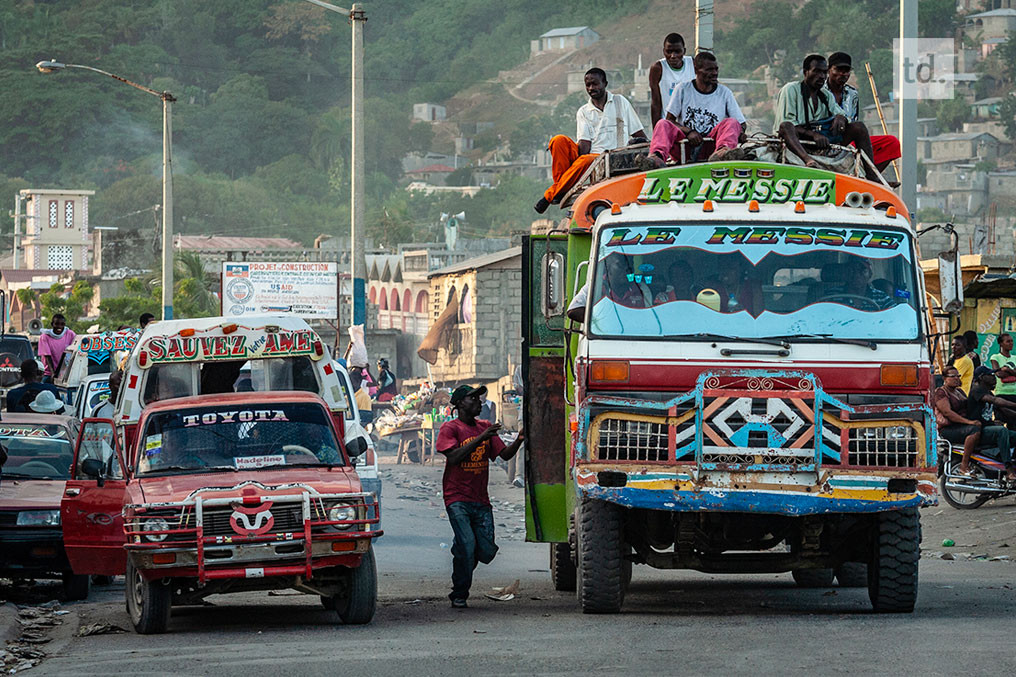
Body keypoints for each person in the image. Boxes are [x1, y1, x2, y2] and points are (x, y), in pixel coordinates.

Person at [437, 384, 523, 608]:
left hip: (480, 500)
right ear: (459, 404)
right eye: (472, 398)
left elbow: (503, 455)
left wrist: (519, 440)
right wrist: (482, 437)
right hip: (456, 498)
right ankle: (459, 593)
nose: (478, 401)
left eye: (479, 397)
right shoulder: (450, 428)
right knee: (468, 545)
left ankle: (461, 555)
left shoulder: (485, 426)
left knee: (484, 551)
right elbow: (454, 457)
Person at [535, 68, 647, 214]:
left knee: (587, 161)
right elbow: (584, 146)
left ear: (605, 83)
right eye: (588, 85)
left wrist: (650, 149)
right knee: (558, 141)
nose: (591, 88)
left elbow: (638, 133)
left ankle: (551, 194)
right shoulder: (583, 111)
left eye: (595, 84)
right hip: (590, 156)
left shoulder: (620, 102)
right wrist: (577, 160)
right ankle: (561, 188)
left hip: (612, 156)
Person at [774, 55, 879, 181]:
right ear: (805, 72)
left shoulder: (826, 95)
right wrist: (813, 135)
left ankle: (873, 177)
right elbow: (787, 124)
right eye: (817, 71)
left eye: (824, 72)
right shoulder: (791, 89)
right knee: (786, 126)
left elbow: (843, 115)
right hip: (797, 141)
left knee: (859, 127)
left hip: (822, 141)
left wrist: (841, 118)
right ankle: (808, 160)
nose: (822, 76)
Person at [644, 52, 747, 167]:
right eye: (709, 70)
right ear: (696, 70)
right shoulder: (682, 89)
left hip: (712, 148)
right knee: (662, 123)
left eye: (716, 69)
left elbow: (741, 124)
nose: (714, 73)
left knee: (732, 122)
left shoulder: (725, 92)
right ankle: (656, 157)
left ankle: (722, 153)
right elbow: (670, 121)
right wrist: (689, 132)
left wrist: (740, 133)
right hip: (685, 147)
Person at [824, 52, 901, 173]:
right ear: (829, 70)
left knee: (892, 143)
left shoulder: (852, 93)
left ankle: (871, 177)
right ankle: (869, 175)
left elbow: (853, 121)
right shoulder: (819, 89)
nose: (842, 74)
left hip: (848, 138)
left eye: (846, 71)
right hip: (827, 137)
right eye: (838, 70)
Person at [966, 366, 1016, 481]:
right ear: (982, 377)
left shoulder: (988, 392)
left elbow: (1004, 409)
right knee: (1002, 431)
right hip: (978, 431)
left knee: (1012, 434)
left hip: (988, 429)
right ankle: (1008, 470)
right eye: (991, 375)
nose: (994, 378)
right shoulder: (976, 390)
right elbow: (996, 401)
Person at [934, 365, 982, 477]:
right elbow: (947, 413)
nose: (956, 378)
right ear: (945, 379)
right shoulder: (940, 392)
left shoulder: (959, 391)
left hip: (960, 426)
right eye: (953, 376)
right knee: (974, 430)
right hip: (948, 429)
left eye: (958, 376)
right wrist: (969, 422)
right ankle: (964, 466)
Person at [648, 32, 695, 127]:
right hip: (669, 125)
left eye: (677, 51)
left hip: (691, 124)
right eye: (669, 52)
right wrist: (657, 130)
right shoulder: (658, 68)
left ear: (684, 51)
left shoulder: (693, 64)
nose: (673, 56)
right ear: (663, 51)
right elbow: (656, 102)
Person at [826, 257, 892, 309]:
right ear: (846, 273)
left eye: (862, 270)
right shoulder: (832, 296)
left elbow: (894, 320)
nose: (856, 274)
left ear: (870, 274)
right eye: (852, 269)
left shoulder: (882, 298)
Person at [37, 314, 76, 380]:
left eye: (62, 324)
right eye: (57, 324)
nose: (59, 326)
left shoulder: (70, 334)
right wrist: (53, 373)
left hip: (65, 373)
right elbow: (47, 356)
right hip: (49, 373)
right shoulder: (45, 337)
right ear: (52, 324)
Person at [990, 333, 1016, 427]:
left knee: (1013, 424)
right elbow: (999, 374)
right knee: (1000, 422)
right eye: (1008, 341)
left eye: (1012, 341)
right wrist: (1013, 371)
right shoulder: (995, 357)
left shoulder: (1015, 358)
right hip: (1001, 393)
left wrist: (1007, 369)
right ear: (1001, 343)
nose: (1011, 343)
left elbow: (1003, 372)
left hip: (1014, 394)